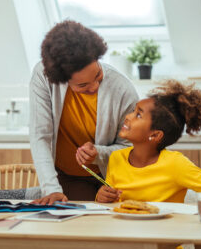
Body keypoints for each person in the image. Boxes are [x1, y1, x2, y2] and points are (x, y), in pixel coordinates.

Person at [30, 20, 138, 204]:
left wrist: (99, 153)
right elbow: (40, 135)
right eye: (82, 85)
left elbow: (133, 148)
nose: (95, 86)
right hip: (65, 178)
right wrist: (51, 189)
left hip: (113, 181)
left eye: (97, 75)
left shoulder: (122, 89)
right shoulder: (43, 76)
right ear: (62, 80)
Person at [96, 80, 201, 205]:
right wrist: (102, 197)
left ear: (155, 135)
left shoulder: (175, 164)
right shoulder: (116, 158)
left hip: (167, 229)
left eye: (138, 115)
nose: (127, 117)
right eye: (133, 111)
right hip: (125, 229)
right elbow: (111, 205)